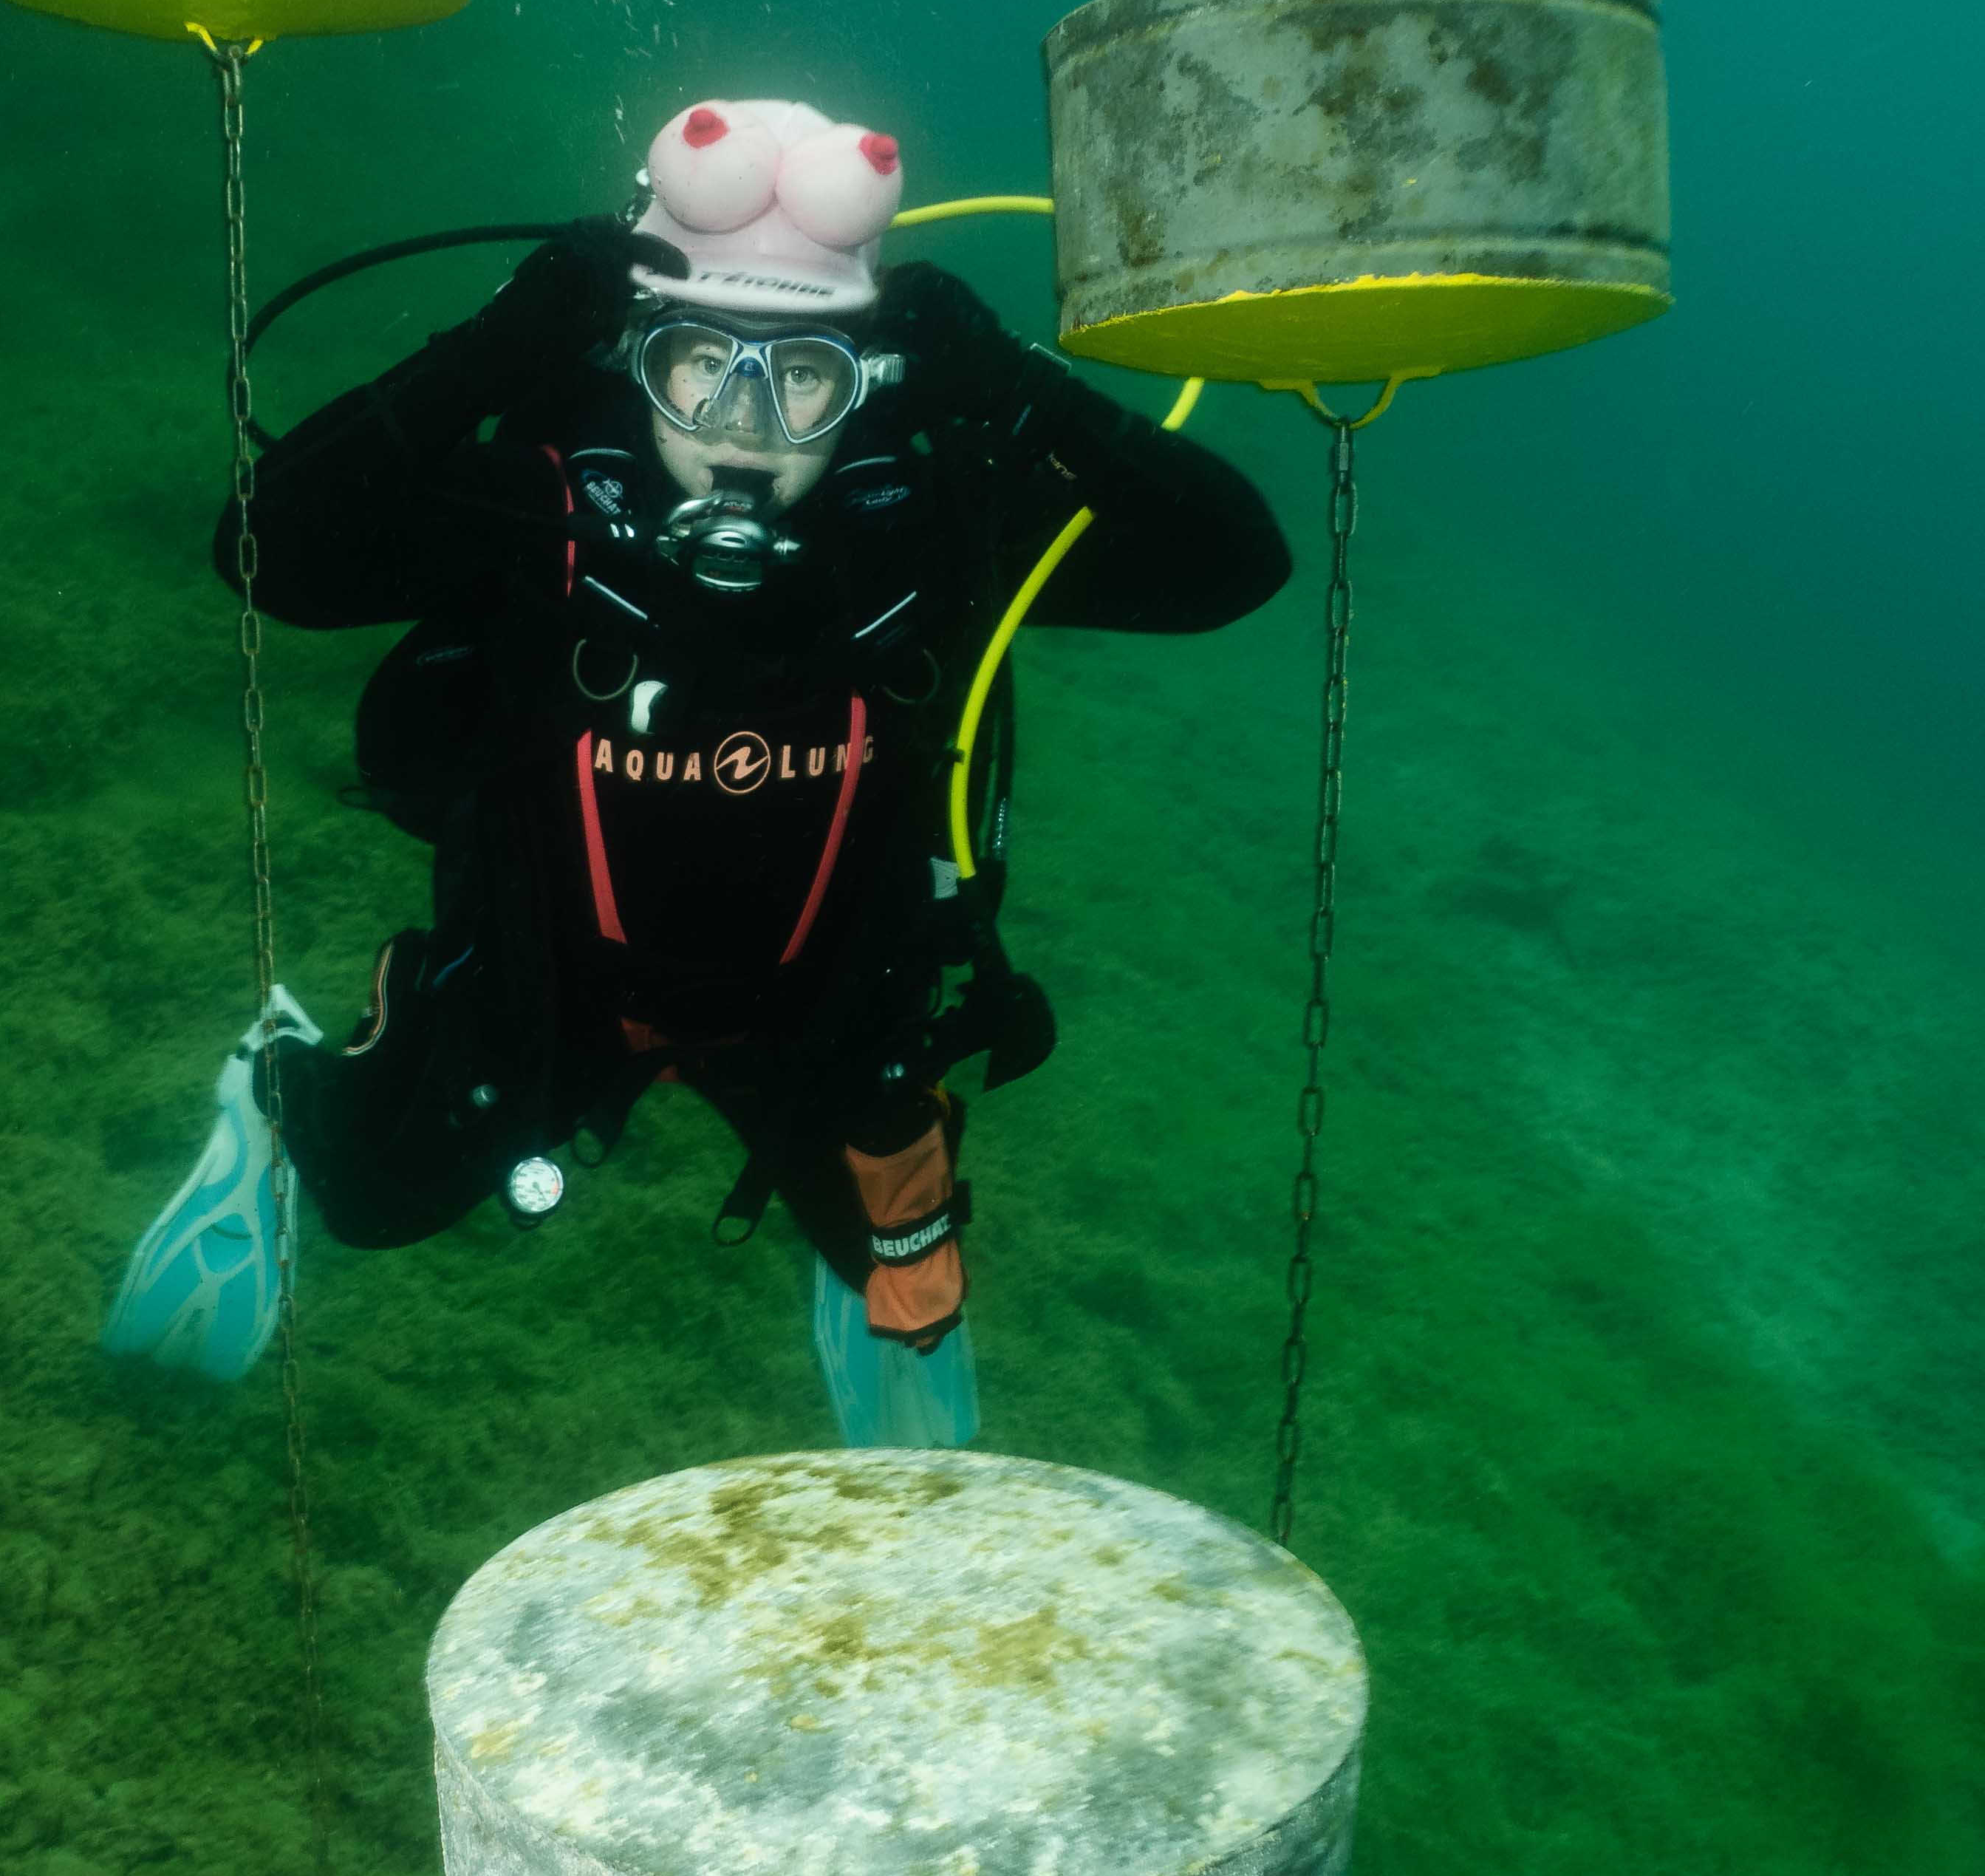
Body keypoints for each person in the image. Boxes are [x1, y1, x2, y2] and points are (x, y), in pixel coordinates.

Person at [103, 95, 1291, 1444]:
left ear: (871, 381)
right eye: (694, 368)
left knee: (912, 1278)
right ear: (629, 356)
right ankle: (277, 1090)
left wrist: (1017, 382)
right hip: (545, 984)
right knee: (376, 1199)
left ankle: (870, 1278)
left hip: (832, 1012)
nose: (745, 427)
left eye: (802, 380)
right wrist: (491, 353)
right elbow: (265, 550)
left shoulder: (927, 526)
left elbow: (1234, 564)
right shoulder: (544, 507)